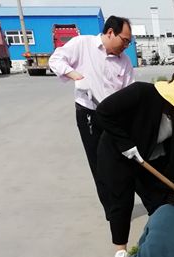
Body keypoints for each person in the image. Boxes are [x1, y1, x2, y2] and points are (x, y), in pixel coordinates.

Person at [96, 73, 174, 257]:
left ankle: (160, 243)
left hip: (149, 159)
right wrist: (125, 144)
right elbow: (103, 112)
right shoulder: (141, 92)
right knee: (122, 201)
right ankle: (121, 251)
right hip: (117, 155)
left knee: (162, 201)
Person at [48, 16, 135, 233]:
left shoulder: (124, 61)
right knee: (99, 163)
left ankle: (121, 202)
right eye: (124, 40)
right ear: (110, 32)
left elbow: (129, 91)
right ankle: (112, 210)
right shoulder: (83, 44)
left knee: (119, 160)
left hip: (113, 116)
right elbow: (55, 60)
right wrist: (75, 75)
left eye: (128, 42)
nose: (126, 45)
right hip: (89, 113)